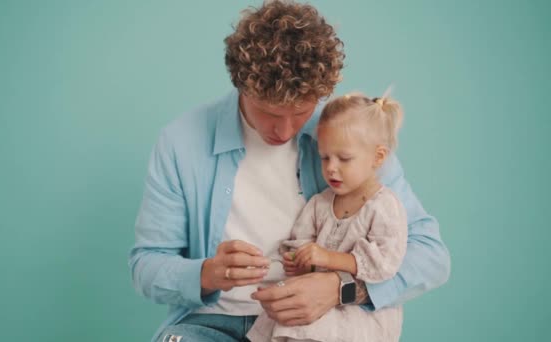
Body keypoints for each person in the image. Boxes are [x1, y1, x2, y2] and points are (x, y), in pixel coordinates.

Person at [129, 1, 450, 341]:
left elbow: (430, 256)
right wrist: (207, 273)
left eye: (300, 112)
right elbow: (147, 265)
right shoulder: (181, 143)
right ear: (242, 85)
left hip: (316, 326)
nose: (283, 131)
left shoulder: (350, 140)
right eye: (268, 112)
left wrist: (338, 287)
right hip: (211, 325)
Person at [247, 92, 409, 342]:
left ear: (378, 157)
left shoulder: (384, 206)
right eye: (325, 157)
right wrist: (300, 259)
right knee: (285, 319)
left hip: (354, 312)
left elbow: (383, 263)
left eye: (344, 159)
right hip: (312, 300)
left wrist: (327, 257)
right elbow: (301, 239)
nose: (331, 167)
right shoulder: (320, 203)